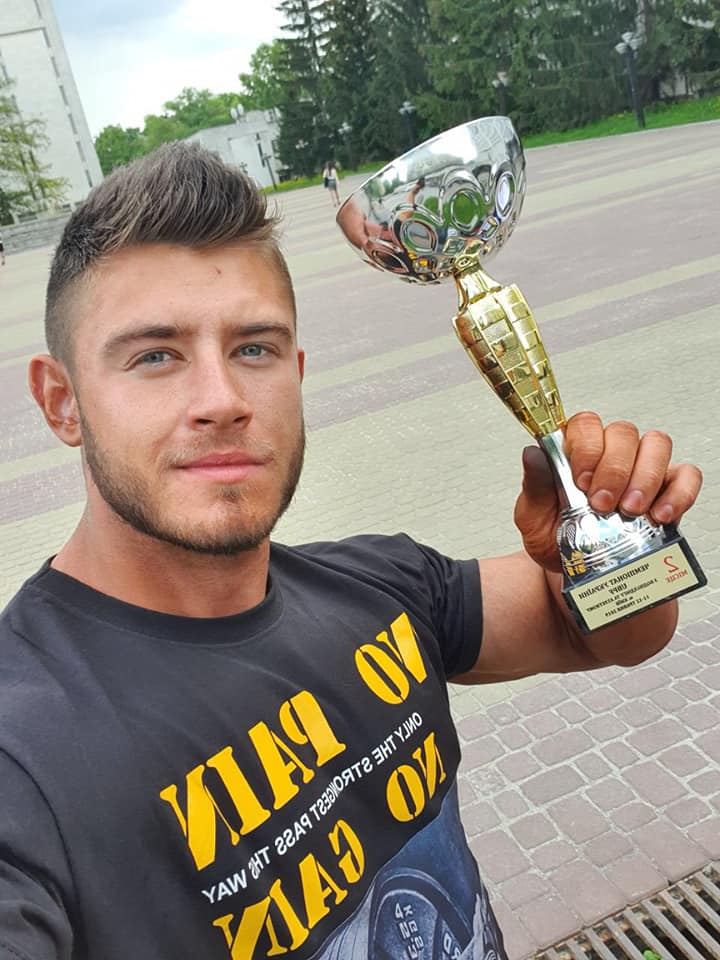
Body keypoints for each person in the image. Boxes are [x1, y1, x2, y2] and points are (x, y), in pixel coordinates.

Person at [0, 142, 702, 960]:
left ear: (296, 372)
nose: (222, 400)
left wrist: (608, 539)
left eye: (254, 348)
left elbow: (615, 637)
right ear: (63, 401)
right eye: (155, 356)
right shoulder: (26, 755)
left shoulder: (378, 585)